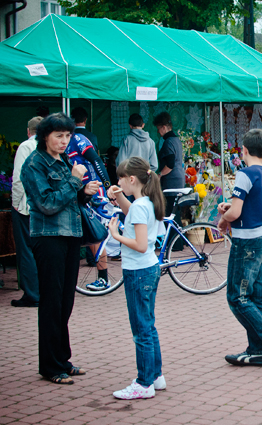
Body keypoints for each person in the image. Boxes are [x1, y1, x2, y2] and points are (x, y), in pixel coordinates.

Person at [21, 113, 101, 384]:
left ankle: (63, 360)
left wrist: (84, 191)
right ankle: (51, 366)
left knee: (66, 301)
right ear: (45, 136)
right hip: (49, 236)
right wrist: (75, 182)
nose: (65, 141)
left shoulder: (64, 160)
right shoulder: (35, 164)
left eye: (68, 136)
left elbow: (68, 198)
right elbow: (46, 203)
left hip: (71, 235)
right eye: (59, 136)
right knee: (52, 302)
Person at [217, 129, 262, 369]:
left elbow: (236, 212)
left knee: (237, 297)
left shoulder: (244, 174)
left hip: (246, 242)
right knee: (257, 296)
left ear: (244, 151)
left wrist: (223, 218)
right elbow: (254, 207)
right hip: (261, 237)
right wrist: (230, 209)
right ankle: (257, 352)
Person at [107, 157, 166, 400]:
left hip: (138, 271)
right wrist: (119, 196)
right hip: (148, 269)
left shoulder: (141, 206)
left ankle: (144, 383)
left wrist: (116, 235)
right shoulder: (145, 202)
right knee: (148, 325)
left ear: (131, 179)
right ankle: (155, 376)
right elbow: (130, 212)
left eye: (120, 178)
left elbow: (140, 245)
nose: (118, 182)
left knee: (141, 329)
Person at [66, 125, 113, 291]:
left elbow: (96, 160)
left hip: (93, 192)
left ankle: (103, 278)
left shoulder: (78, 139)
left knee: (94, 235)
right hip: (79, 193)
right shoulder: (61, 146)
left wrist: (107, 185)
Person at [10, 116, 43, 307]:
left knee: (26, 250)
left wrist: (16, 204)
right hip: (46, 206)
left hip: (27, 206)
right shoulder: (51, 146)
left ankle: (32, 294)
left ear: (28, 131)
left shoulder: (26, 146)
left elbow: (18, 179)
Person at [153, 112, 184, 216]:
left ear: (164, 127)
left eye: (158, 128)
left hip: (172, 181)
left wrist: (160, 174)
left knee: (169, 213)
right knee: (175, 213)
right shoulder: (176, 140)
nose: (158, 131)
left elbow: (170, 164)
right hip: (179, 179)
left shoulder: (168, 142)